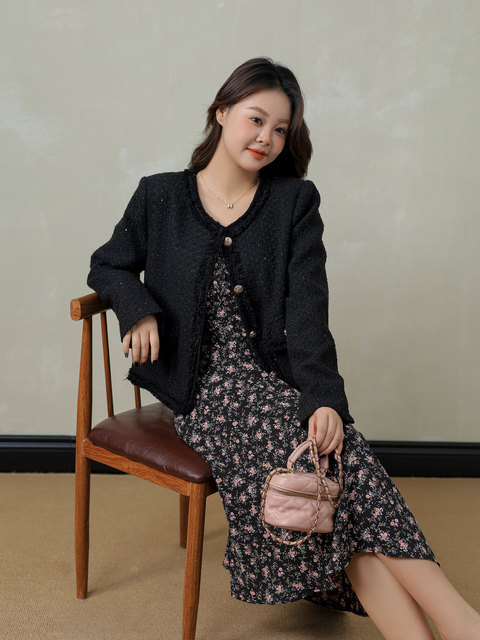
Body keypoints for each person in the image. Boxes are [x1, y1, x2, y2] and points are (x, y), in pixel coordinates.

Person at [87, 57, 480, 639]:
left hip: (274, 383)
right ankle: (462, 623)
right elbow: (108, 265)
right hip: (202, 395)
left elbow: (308, 312)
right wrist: (138, 307)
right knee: (327, 465)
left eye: (280, 129)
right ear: (222, 112)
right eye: (256, 119)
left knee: (331, 457)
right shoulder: (159, 196)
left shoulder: (293, 203)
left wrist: (324, 399)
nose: (266, 138)